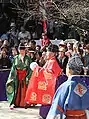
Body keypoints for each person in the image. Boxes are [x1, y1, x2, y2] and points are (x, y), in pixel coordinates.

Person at [25, 44, 62, 117]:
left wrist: (37, 69)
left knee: (48, 104)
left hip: (52, 87)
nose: (46, 53)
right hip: (49, 86)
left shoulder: (53, 62)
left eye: (48, 52)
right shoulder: (50, 61)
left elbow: (49, 74)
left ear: (53, 53)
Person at [6, 43, 32, 109]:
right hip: (17, 76)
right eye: (20, 49)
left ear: (25, 50)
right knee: (16, 89)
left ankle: (25, 103)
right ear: (18, 50)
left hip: (25, 75)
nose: (22, 51)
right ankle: (15, 103)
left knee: (24, 90)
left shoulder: (28, 58)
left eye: (23, 49)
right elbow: (13, 68)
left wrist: (28, 77)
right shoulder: (15, 58)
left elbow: (30, 68)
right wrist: (12, 77)